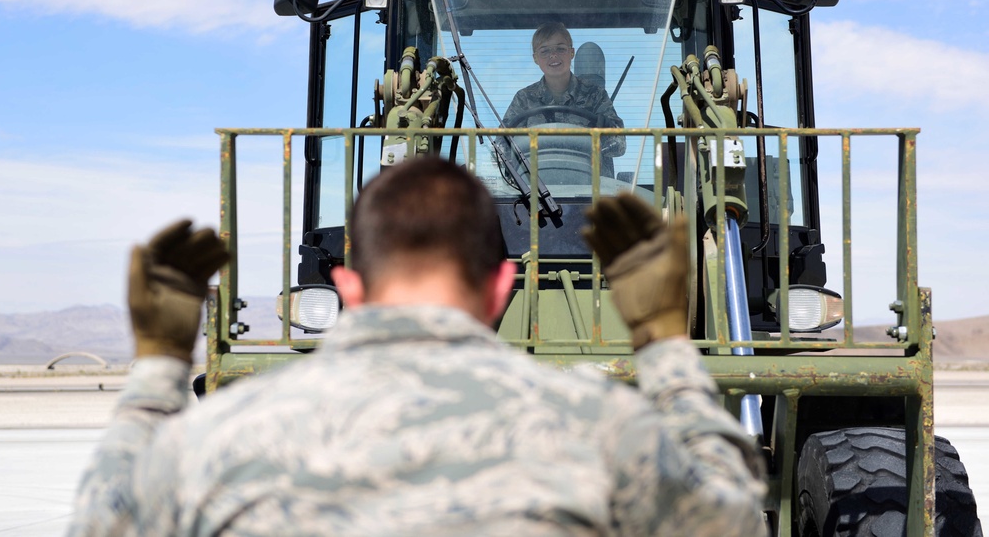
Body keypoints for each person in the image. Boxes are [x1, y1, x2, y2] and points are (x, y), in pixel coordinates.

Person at [69, 158, 767, 536]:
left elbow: (105, 521)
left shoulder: (212, 443)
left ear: (348, 282)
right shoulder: (607, 431)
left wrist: (159, 368)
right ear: (502, 286)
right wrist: (666, 344)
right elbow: (729, 517)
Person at [502, 22, 626, 177]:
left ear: (572, 52)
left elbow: (619, 144)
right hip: (536, 191)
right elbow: (501, 148)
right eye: (545, 51)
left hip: (590, 190)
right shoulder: (524, 98)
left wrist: (599, 144)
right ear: (535, 58)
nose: (553, 55)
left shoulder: (595, 95)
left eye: (560, 49)